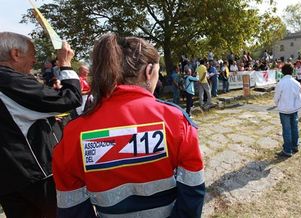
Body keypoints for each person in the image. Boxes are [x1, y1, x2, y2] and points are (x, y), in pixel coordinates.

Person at [52, 33, 205, 217]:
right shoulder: (175, 120)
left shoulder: (75, 133)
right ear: (149, 72)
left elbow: (71, 207)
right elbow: (192, 190)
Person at [0, 32, 82, 218]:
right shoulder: (10, 80)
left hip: (8, 179)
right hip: (34, 176)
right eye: (33, 54)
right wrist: (66, 65)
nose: (35, 60)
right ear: (15, 54)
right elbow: (70, 99)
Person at [274, 63, 301, 157]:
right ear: (292, 71)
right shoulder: (296, 83)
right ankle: (295, 146)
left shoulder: (281, 83)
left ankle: (287, 150)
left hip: (284, 109)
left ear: (282, 72)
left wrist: (277, 104)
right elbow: (300, 95)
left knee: (286, 129)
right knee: (294, 127)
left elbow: (276, 97)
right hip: (294, 108)